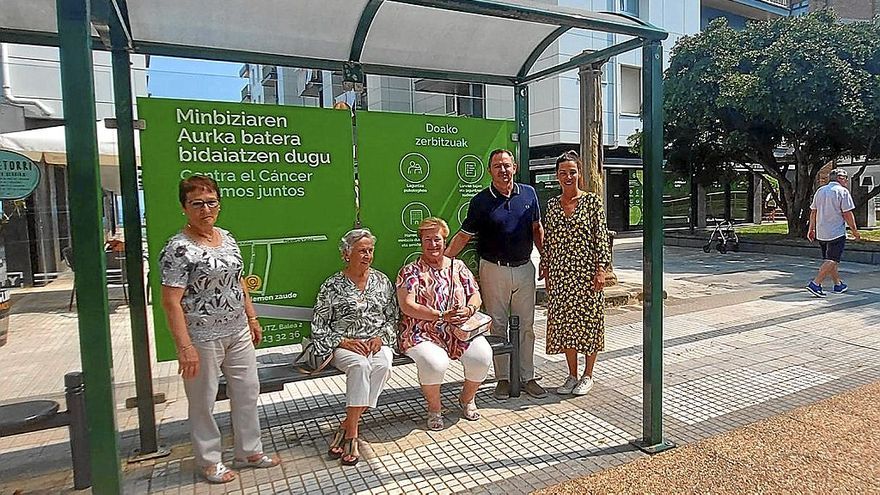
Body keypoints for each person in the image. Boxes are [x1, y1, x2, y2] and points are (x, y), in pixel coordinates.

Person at [159, 175, 280, 484]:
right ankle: (209, 460)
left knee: (248, 391)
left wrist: (252, 317)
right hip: (201, 337)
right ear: (184, 207)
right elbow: (171, 302)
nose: (205, 210)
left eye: (211, 202)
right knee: (203, 401)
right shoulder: (178, 249)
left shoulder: (226, 238)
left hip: (237, 330)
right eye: (197, 204)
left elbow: (239, 281)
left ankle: (249, 451)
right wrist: (184, 346)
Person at [446, 148, 546, 400]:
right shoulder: (480, 201)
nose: (503, 170)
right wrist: (444, 261)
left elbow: (537, 229)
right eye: (497, 166)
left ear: (515, 168)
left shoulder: (530, 194)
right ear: (489, 170)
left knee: (527, 326)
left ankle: (527, 376)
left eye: (507, 165)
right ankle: (502, 378)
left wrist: (546, 257)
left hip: (524, 268)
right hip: (493, 269)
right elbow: (463, 235)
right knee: (498, 325)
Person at [311, 228, 399, 466]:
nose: (367, 255)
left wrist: (381, 337)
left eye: (370, 250)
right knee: (360, 366)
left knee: (383, 365)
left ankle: (347, 424)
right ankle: (352, 436)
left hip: (376, 342)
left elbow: (392, 318)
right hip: (344, 344)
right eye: (361, 250)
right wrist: (343, 342)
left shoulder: (382, 281)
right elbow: (319, 325)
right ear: (346, 254)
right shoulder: (332, 285)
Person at [397, 217, 493, 430]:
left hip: (458, 330)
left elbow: (475, 294)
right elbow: (407, 306)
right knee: (435, 363)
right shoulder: (411, 271)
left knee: (482, 356)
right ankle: (434, 409)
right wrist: (440, 316)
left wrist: (469, 310)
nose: (433, 244)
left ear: (445, 240)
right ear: (421, 242)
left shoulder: (458, 266)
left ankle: (467, 399)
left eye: (437, 239)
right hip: (422, 332)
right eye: (428, 240)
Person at [541, 151, 611, 396]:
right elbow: (547, 241)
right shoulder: (551, 205)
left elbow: (600, 238)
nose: (568, 176)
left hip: (587, 274)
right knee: (566, 325)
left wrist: (601, 270)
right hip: (561, 275)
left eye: (572, 171)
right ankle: (571, 375)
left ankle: (588, 375)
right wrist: (547, 270)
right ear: (557, 176)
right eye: (563, 173)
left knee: (589, 323)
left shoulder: (592, 202)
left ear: (579, 174)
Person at [806, 168, 861, 297]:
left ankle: (838, 284)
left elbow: (813, 211)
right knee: (832, 259)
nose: (846, 181)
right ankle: (816, 283)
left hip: (822, 232)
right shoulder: (842, 192)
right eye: (845, 178)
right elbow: (847, 213)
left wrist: (811, 229)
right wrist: (855, 231)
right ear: (840, 178)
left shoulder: (820, 191)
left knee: (830, 259)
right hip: (836, 232)